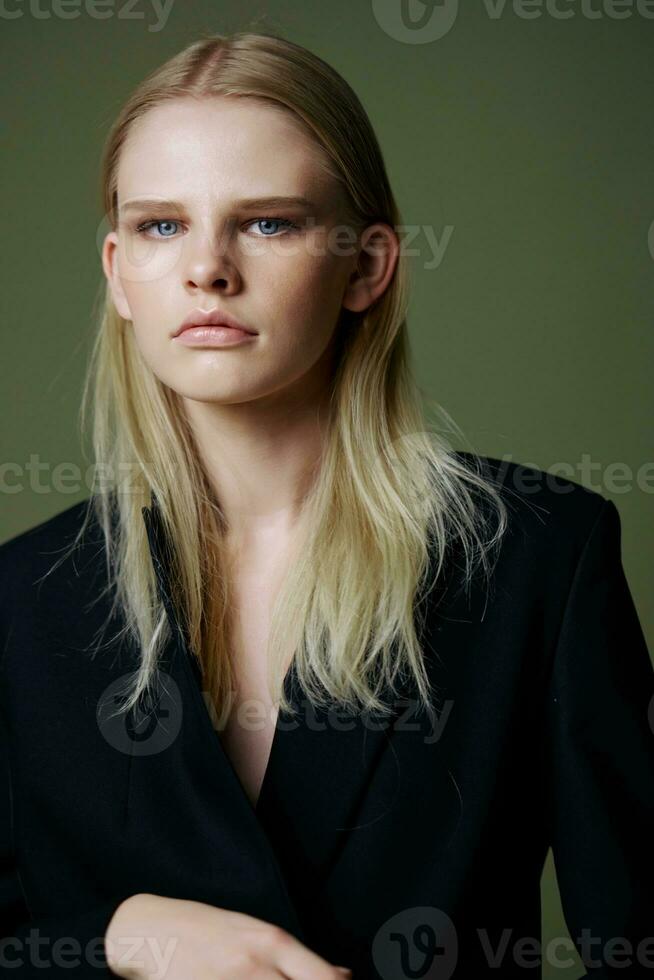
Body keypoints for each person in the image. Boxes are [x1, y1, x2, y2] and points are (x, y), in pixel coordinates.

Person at [1, 30, 652, 980]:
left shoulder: (539, 557)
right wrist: (121, 938)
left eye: (267, 223)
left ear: (367, 265)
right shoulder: (21, 598)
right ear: (117, 272)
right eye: (160, 225)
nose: (208, 269)